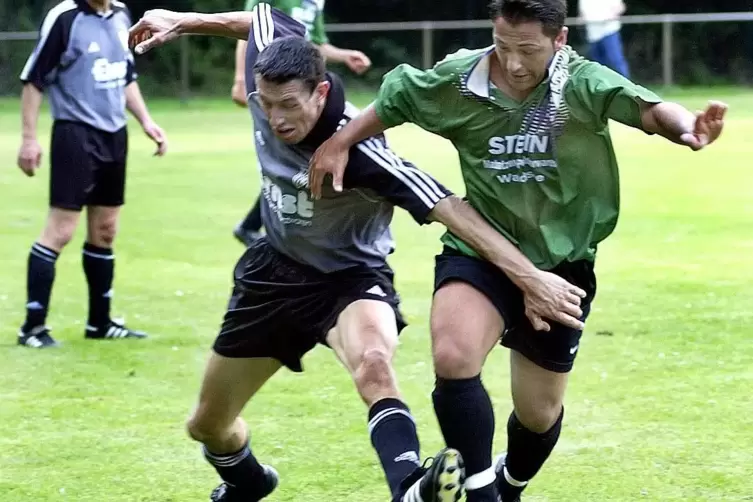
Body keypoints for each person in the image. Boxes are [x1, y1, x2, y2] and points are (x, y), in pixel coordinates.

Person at [129, 4, 588, 501]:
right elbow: (261, 17)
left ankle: (410, 488)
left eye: (289, 105)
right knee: (208, 425)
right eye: (265, 104)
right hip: (273, 275)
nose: (276, 119)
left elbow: (454, 211)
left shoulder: (363, 153)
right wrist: (181, 19)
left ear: (320, 91)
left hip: (351, 279)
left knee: (374, 364)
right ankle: (248, 482)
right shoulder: (274, 58)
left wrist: (529, 278)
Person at [308, 0, 728, 500]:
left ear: (560, 40)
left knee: (538, 413)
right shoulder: (460, 80)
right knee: (453, 353)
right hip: (481, 251)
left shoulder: (581, 83)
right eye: (503, 46)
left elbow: (649, 110)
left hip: (563, 265)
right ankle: (482, 490)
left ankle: (509, 484)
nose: (513, 62)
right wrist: (340, 143)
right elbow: (397, 99)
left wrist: (688, 130)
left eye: (528, 49)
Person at [16, 0, 168, 348]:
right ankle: (33, 327)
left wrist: (146, 121)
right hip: (75, 134)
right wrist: (28, 140)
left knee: (105, 230)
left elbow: (125, 75)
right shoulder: (65, 18)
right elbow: (34, 80)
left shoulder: (121, 15)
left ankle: (100, 323)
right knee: (61, 230)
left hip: (114, 134)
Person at [232, 0, 372, 246]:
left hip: (300, 92)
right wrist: (241, 79)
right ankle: (257, 228)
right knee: (288, 162)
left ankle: (252, 226)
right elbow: (250, 27)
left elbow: (315, 45)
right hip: (273, 86)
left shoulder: (316, 2)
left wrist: (344, 55)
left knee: (298, 164)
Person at [578, 0, 630, 77]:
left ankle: (626, 85)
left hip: (609, 31)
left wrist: (611, 16)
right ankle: (602, 87)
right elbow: (582, 15)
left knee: (615, 60)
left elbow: (621, 7)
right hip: (593, 35)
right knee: (597, 64)